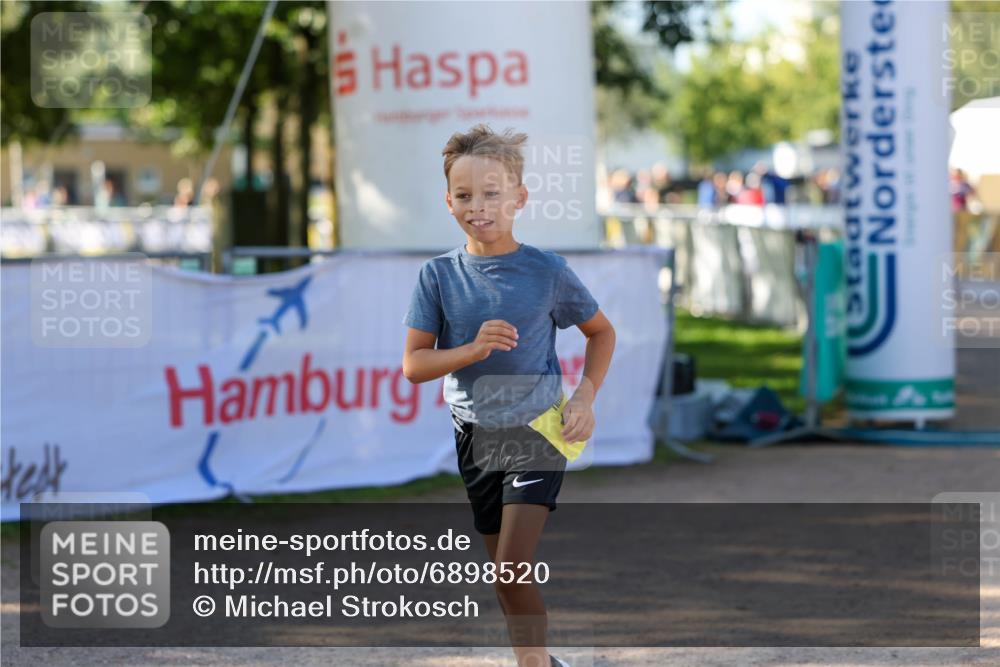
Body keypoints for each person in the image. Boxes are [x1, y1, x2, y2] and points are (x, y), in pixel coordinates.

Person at [402, 124, 616, 667]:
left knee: (510, 569)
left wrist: (585, 397)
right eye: (465, 195)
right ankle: (543, 661)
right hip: (473, 432)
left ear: (518, 199)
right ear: (448, 201)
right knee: (505, 583)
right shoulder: (438, 276)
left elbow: (601, 333)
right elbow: (414, 365)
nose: (479, 206)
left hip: (535, 429)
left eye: (492, 193)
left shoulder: (546, 271)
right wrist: (470, 351)